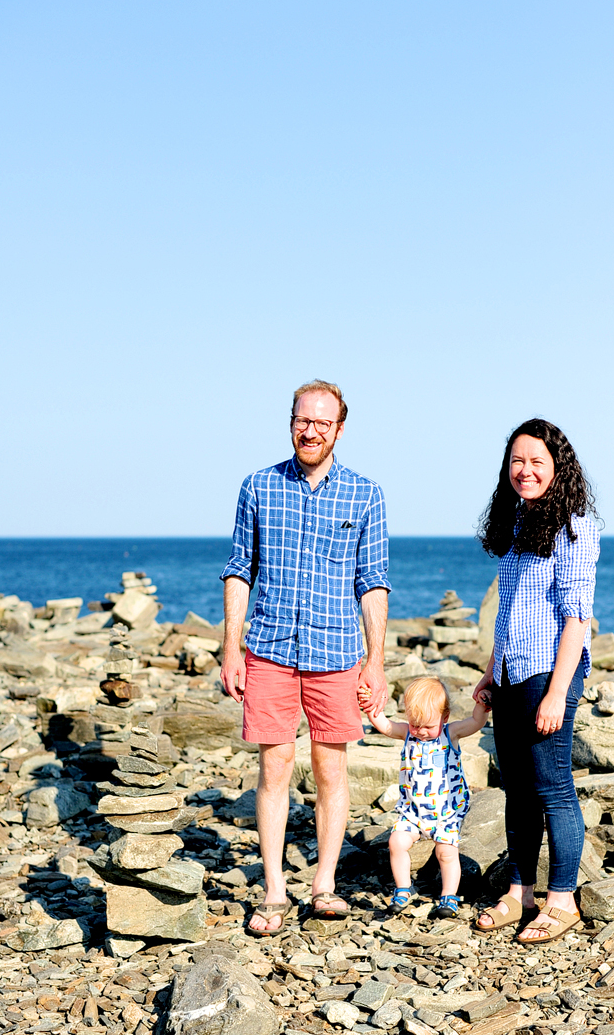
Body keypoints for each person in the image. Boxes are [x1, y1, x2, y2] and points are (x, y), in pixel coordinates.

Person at [220, 379, 390, 935]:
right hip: (268, 647)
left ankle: (324, 884)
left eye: (322, 422)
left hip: (336, 649)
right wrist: (231, 646)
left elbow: (373, 582)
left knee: (330, 770)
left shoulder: (366, 495)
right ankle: (273, 892)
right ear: (291, 420)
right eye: (302, 419)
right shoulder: (258, 487)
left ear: (340, 429)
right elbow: (239, 569)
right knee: (274, 768)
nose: (310, 430)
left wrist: (376, 660)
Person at [472, 418, 599, 944]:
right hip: (511, 673)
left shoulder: (576, 525)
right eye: (517, 461)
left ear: (557, 467)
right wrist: (489, 673)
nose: (525, 471)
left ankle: (562, 900)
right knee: (517, 791)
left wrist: (555, 693)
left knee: (554, 790)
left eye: (537, 462)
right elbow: (511, 613)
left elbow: (576, 618)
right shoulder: (520, 523)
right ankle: (518, 892)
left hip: (550, 672)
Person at [361, 676, 490, 919]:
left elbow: (475, 722)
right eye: (414, 724)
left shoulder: (450, 733)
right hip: (413, 812)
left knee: (446, 853)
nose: (420, 732)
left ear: (445, 716)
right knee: (396, 843)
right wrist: (370, 707)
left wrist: (482, 706)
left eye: (427, 726)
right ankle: (403, 888)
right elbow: (384, 724)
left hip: (446, 813)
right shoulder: (407, 734)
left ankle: (449, 896)